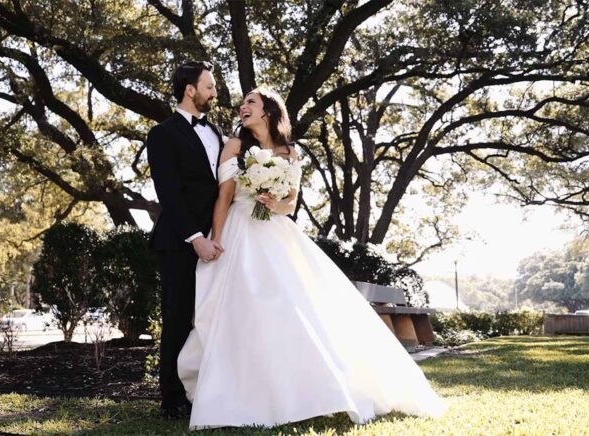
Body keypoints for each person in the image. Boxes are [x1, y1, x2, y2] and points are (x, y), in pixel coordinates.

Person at [176, 88, 447, 430]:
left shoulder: (290, 152)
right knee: (241, 311)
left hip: (275, 233)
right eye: (243, 103)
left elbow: (291, 204)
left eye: (251, 103)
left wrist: (275, 203)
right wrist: (215, 239)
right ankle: (243, 392)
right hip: (239, 232)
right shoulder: (234, 146)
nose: (243, 107)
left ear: (270, 112)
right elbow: (223, 197)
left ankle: (306, 391)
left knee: (291, 309)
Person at [146, 61, 226, 419]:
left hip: (218, 240)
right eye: (208, 86)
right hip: (179, 241)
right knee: (178, 319)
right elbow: (169, 192)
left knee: (212, 317)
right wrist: (195, 238)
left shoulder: (219, 133)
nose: (214, 93)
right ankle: (173, 400)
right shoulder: (162, 133)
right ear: (190, 89)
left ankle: (206, 389)